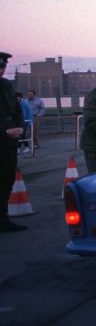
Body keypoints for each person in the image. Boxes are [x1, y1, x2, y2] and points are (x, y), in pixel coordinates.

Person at [0, 52, 27, 232]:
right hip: (3, 136)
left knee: (6, 180)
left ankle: (2, 218)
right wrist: (3, 132)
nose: (1, 70)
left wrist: (20, 128)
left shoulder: (6, 86)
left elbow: (17, 111)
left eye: (3, 67)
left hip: (8, 143)